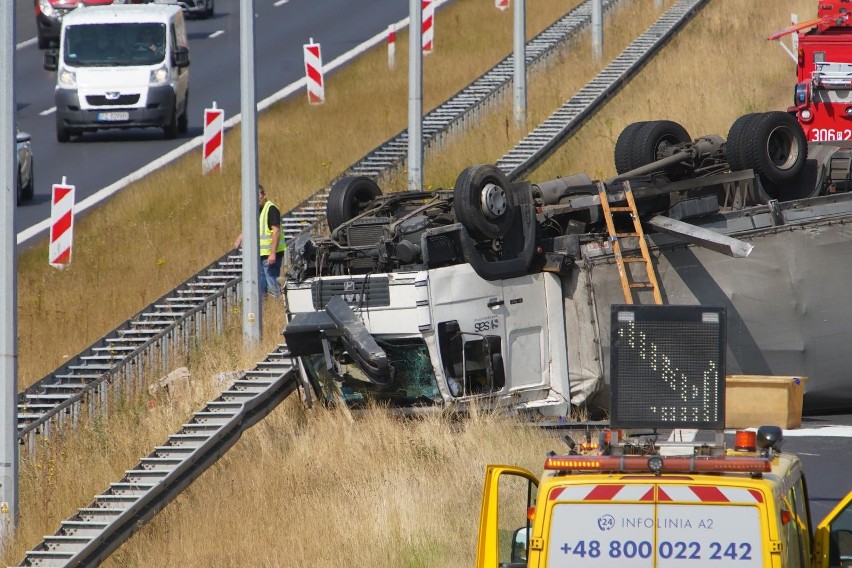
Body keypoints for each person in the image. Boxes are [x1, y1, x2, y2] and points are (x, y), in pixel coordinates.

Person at [234, 185, 287, 298]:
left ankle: (277, 304)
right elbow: (252, 226)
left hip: (271, 255)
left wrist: (272, 253)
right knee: (261, 285)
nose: (256, 200)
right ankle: (263, 308)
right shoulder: (257, 210)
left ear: (264, 195)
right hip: (261, 254)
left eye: (258, 197)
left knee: (272, 282)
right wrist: (241, 236)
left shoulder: (271, 209)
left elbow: (276, 232)